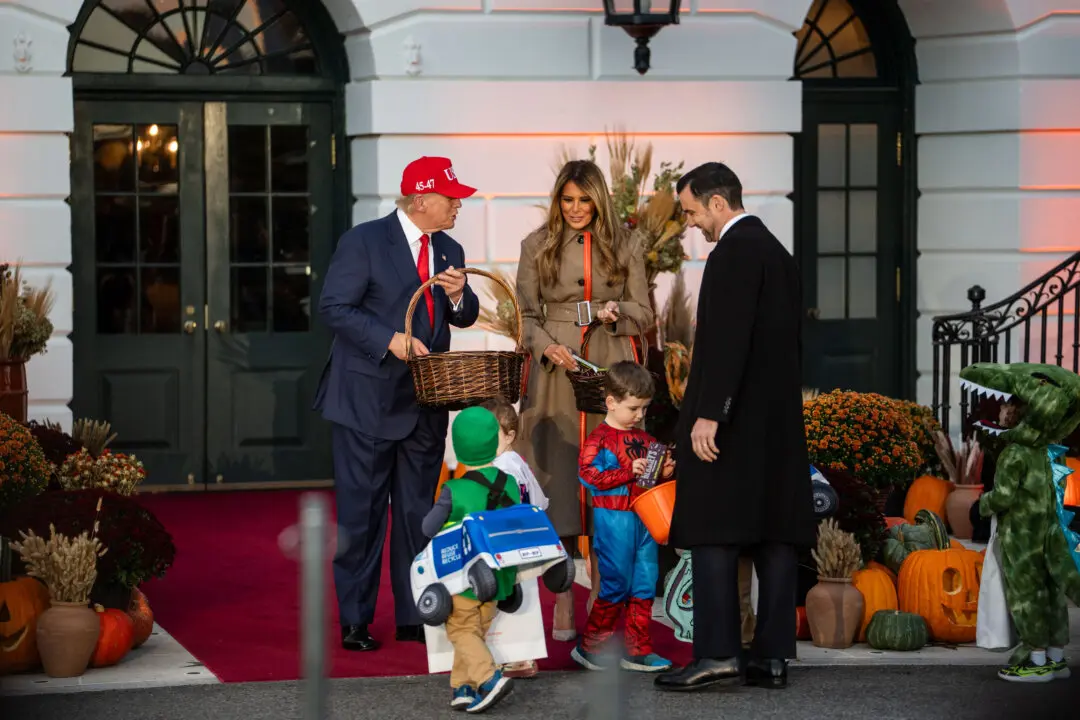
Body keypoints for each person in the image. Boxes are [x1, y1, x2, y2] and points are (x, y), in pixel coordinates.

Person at [655, 162, 815, 692]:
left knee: (712, 531)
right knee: (774, 533)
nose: (692, 221)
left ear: (718, 203)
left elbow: (727, 341)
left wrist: (709, 413)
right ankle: (771, 658)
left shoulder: (732, 254)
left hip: (729, 422)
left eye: (693, 210)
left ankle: (718, 652)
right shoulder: (779, 254)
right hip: (775, 424)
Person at [315, 156, 481, 652]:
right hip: (365, 401)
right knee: (362, 516)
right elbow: (333, 307)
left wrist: (459, 295)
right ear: (421, 200)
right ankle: (355, 619)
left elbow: (465, 316)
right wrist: (390, 338)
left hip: (425, 403)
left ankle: (415, 613)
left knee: (417, 514)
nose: (458, 205)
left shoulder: (449, 247)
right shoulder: (363, 241)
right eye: (452, 197)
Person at [515, 159, 654, 641]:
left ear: (599, 200)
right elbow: (525, 315)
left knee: (609, 473)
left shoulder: (627, 243)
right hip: (555, 366)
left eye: (584, 199)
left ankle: (601, 591)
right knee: (555, 473)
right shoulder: (535, 245)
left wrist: (616, 315)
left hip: (607, 366)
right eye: (567, 200)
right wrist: (543, 345)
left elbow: (645, 312)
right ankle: (561, 598)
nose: (575, 209)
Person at [573, 361, 675, 673]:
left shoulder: (646, 440)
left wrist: (664, 471)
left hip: (646, 519)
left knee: (645, 583)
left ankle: (638, 649)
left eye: (644, 409)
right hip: (613, 519)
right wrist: (625, 472)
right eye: (634, 408)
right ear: (611, 402)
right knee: (615, 584)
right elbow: (588, 475)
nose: (640, 416)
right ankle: (590, 646)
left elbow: (651, 480)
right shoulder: (599, 439)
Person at [422, 407, 519, 712]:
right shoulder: (511, 484)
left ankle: (489, 678)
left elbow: (427, 527)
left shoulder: (455, 489)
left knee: (461, 630)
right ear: (495, 442)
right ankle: (462, 688)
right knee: (475, 631)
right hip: (499, 578)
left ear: (458, 448)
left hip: (463, 579)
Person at [480, 395, 549, 680]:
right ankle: (523, 659)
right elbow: (540, 501)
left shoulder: (500, 467)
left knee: (501, 602)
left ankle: (503, 659)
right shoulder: (517, 462)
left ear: (509, 435)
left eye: (489, 434)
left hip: (503, 543)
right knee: (525, 601)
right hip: (526, 540)